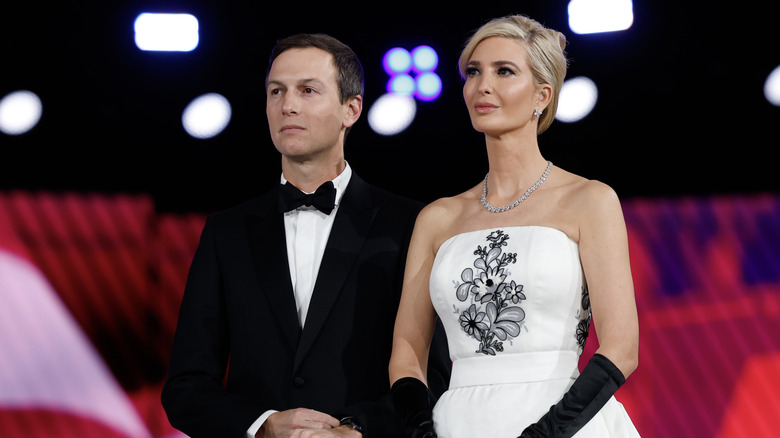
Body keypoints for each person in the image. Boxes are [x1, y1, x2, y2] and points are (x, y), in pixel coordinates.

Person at [162, 33, 450, 438]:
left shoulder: (409, 224)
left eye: (307, 90)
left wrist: (355, 429)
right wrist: (263, 424)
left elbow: (435, 374)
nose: (287, 105)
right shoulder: (225, 232)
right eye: (276, 91)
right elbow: (185, 388)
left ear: (351, 109)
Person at [388, 15, 640, 437]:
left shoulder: (589, 200)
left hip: (564, 422)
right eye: (474, 71)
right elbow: (406, 351)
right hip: (458, 423)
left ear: (542, 95)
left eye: (504, 71)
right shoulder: (438, 217)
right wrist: (420, 431)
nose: (482, 85)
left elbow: (621, 349)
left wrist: (544, 434)